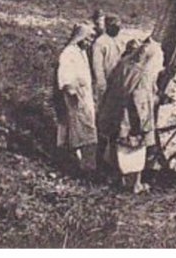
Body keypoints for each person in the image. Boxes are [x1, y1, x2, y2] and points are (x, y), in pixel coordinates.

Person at [97, 38, 164, 193]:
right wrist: (145, 123)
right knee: (135, 150)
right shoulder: (144, 74)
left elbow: (112, 82)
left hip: (115, 111)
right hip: (130, 117)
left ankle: (115, 177)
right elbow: (139, 99)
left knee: (115, 145)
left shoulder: (124, 64)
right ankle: (134, 184)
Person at [54, 24, 98, 174]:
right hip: (76, 98)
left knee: (84, 129)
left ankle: (81, 163)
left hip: (84, 96)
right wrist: (72, 91)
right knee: (85, 130)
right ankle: (87, 167)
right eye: (88, 38)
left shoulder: (81, 52)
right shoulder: (69, 53)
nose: (90, 42)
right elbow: (65, 75)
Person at [90, 16, 122, 105]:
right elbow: (97, 65)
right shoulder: (100, 42)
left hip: (117, 79)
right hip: (106, 79)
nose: (117, 29)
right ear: (107, 26)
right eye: (114, 27)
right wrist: (101, 82)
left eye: (118, 27)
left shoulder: (119, 40)